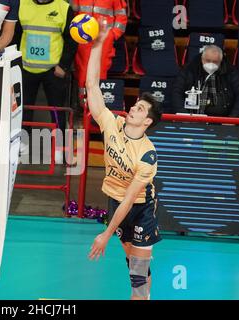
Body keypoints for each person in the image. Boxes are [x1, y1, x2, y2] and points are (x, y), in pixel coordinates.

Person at [86, 20, 162, 300]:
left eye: (140, 108)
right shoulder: (112, 124)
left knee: (138, 277)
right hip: (114, 201)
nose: (133, 108)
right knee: (131, 261)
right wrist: (97, 45)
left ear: (148, 121)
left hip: (140, 208)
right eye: (135, 105)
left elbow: (132, 199)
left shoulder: (147, 154)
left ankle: (141, 296)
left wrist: (105, 235)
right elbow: (92, 86)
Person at [18, 0, 78, 164]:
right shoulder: (22, 4)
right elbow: (15, 36)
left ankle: (61, 149)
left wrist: (63, 65)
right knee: (23, 109)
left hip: (53, 70)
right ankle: (21, 145)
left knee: (58, 111)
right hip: (26, 68)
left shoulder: (64, 8)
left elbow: (72, 40)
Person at [70, 0, 127, 102]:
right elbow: (71, 13)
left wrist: (112, 35)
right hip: (83, 39)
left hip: (104, 40)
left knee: (100, 70)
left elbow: (121, 17)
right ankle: (83, 104)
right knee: (82, 70)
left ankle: (96, 104)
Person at [172, 45, 239, 117]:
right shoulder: (189, 69)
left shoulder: (230, 71)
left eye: (215, 62)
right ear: (202, 58)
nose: (211, 64)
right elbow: (176, 92)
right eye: (208, 61)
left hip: (222, 121)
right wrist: (184, 116)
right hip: (191, 117)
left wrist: (232, 119)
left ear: (221, 61)